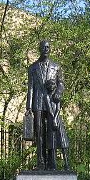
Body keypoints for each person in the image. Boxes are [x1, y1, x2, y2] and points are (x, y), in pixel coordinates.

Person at [26, 40, 66, 170]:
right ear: (40, 49)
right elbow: (30, 87)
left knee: (52, 131)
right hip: (37, 101)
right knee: (39, 131)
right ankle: (40, 162)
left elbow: (61, 83)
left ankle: (52, 162)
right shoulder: (32, 68)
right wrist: (28, 107)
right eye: (43, 47)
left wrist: (59, 92)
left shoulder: (56, 66)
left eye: (48, 47)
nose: (46, 49)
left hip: (52, 102)